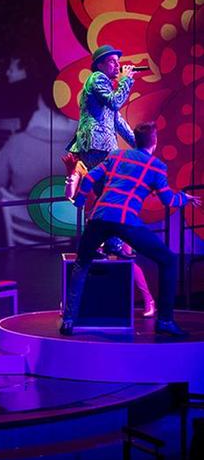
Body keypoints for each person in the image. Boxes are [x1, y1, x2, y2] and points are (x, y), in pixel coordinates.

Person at [62, 123, 201, 337]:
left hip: (99, 217)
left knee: (82, 263)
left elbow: (90, 178)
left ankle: (69, 321)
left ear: (135, 139)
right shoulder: (156, 166)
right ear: (155, 142)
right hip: (125, 220)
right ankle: (164, 320)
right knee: (169, 260)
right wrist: (185, 198)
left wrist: (80, 200)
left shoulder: (117, 155)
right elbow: (168, 199)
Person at [64, 44, 137, 257]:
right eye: (113, 62)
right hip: (96, 145)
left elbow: (117, 120)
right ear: (100, 65)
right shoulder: (97, 79)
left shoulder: (105, 86)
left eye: (118, 61)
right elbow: (116, 103)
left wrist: (140, 145)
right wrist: (126, 80)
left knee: (110, 196)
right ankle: (98, 244)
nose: (118, 65)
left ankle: (109, 244)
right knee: (110, 195)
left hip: (104, 146)